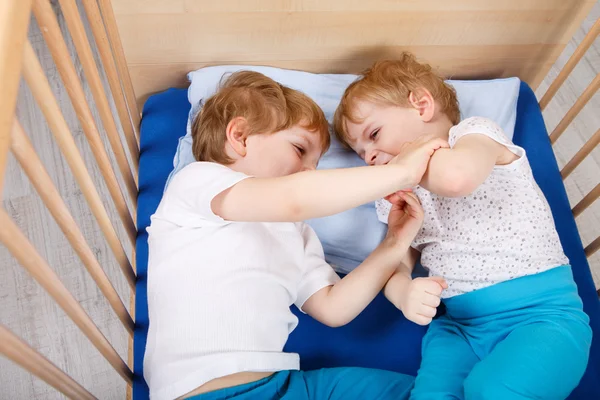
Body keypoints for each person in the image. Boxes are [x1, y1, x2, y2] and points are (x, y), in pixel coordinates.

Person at [144, 71, 446, 400]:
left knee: (424, 392)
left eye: (316, 164)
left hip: (283, 384)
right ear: (240, 136)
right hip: (205, 390)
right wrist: (399, 173)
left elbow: (334, 308)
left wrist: (395, 242)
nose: (310, 172)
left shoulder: (295, 232)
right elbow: (294, 199)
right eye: (300, 150)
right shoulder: (198, 182)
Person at [333, 53, 592, 399]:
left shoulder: (475, 134)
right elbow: (394, 259)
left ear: (422, 104)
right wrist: (403, 293)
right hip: (460, 329)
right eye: (360, 152)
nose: (370, 157)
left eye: (374, 134)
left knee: (493, 391)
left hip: (542, 317)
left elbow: (457, 178)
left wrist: (409, 167)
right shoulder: (394, 192)